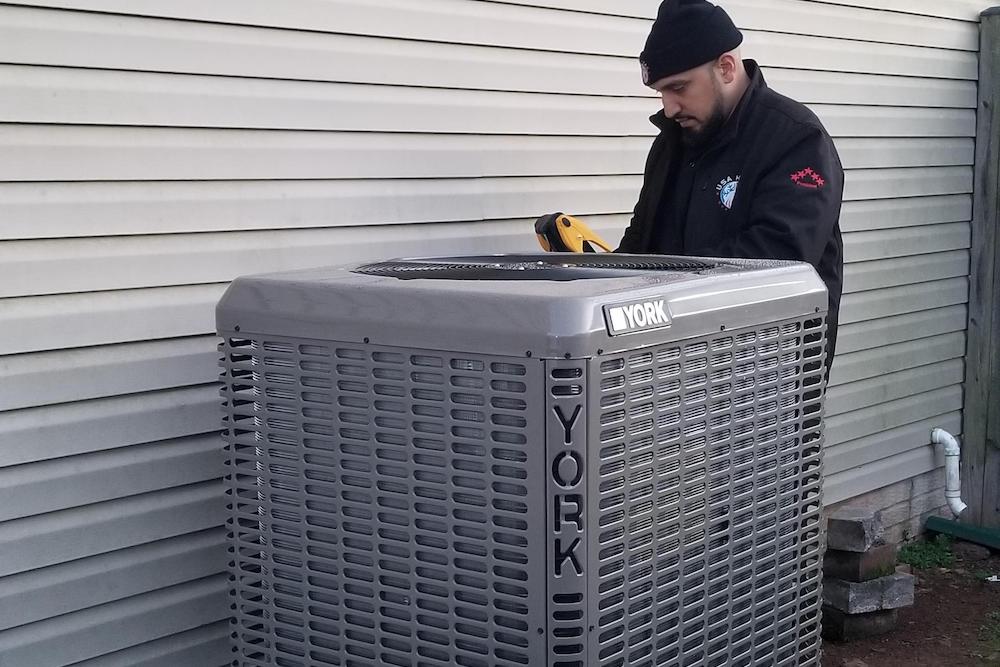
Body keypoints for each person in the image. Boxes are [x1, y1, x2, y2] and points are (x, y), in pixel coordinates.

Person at [617, 0, 845, 367]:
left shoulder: (796, 140)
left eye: (679, 87)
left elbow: (778, 260)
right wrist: (597, 286)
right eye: (661, 92)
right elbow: (642, 239)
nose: (669, 106)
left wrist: (668, 291)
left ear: (726, 67)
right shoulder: (671, 143)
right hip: (673, 371)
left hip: (768, 375)